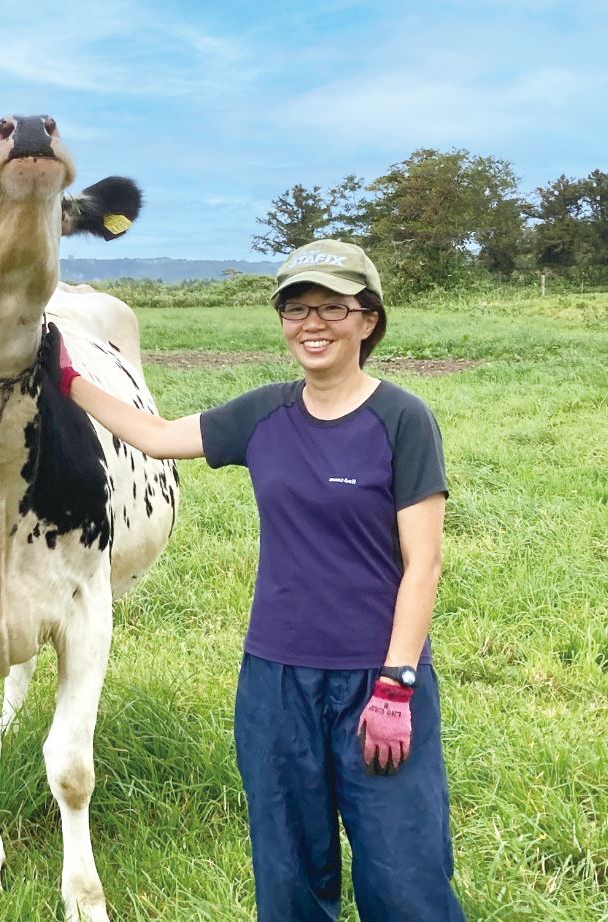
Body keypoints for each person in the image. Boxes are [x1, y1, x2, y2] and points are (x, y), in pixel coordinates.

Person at [55, 239, 464, 920]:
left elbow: (423, 564)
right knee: (287, 871)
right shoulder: (264, 414)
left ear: (367, 319)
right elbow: (155, 436)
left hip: (377, 679)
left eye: (332, 308)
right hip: (275, 682)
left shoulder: (401, 419)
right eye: (296, 309)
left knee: (404, 874)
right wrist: (68, 379)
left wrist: (397, 685)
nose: (312, 324)